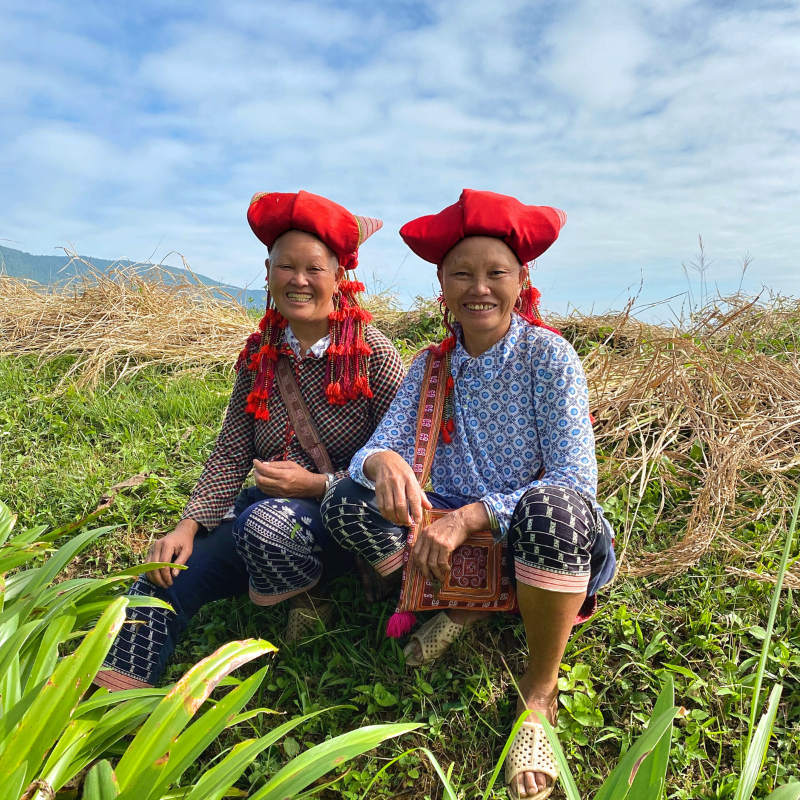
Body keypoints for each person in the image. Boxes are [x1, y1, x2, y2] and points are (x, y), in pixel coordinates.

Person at [322, 189, 616, 800]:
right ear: (442, 283)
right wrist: (385, 465)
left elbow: (574, 480)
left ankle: (537, 695)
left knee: (554, 511)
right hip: (445, 536)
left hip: (530, 532)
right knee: (345, 500)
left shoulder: (550, 358)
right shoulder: (433, 365)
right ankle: (460, 601)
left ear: (521, 279)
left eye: (494, 273)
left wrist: (473, 516)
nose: (478, 288)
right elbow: (372, 450)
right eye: (462, 274)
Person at [95, 190, 405, 692]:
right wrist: (188, 525)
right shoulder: (261, 354)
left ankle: (315, 597)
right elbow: (233, 449)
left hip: (345, 516)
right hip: (266, 508)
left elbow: (406, 457)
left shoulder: (373, 354)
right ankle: (111, 704)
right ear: (267, 272)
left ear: (339, 276)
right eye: (285, 266)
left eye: (314, 268)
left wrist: (318, 485)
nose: (298, 280)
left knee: (266, 525)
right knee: (163, 577)